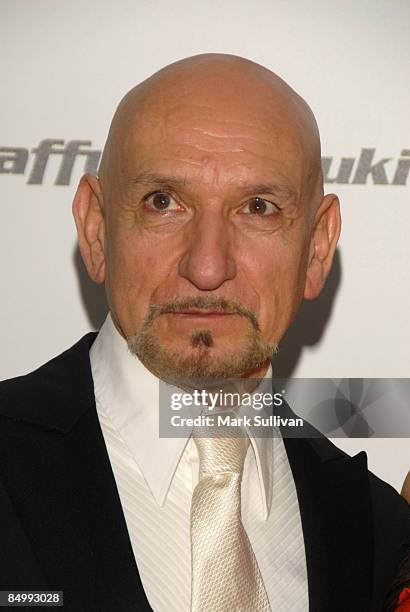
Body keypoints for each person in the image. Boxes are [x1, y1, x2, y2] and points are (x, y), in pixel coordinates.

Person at [0, 53, 408, 612]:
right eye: (163, 202)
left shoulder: (379, 533)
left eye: (258, 208)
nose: (208, 265)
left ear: (317, 248)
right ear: (96, 230)